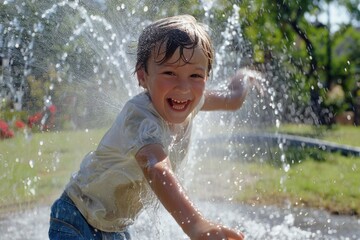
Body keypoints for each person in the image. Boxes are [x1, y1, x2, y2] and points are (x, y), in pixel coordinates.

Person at [49, 14, 262, 240]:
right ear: (142, 76)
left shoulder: (195, 100)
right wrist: (196, 225)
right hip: (76, 218)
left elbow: (232, 98)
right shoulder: (141, 117)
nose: (183, 87)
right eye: (170, 73)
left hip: (114, 228)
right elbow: (156, 167)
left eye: (195, 75)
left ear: (207, 76)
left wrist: (244, 77)